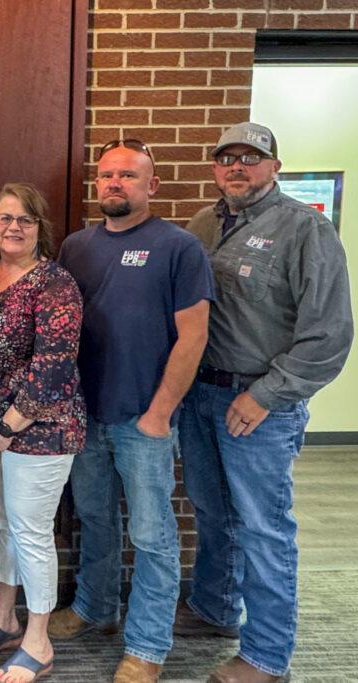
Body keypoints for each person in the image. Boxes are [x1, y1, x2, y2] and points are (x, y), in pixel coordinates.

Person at [177, 122, 353, 683]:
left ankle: (266, 656)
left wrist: (266, 396)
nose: (237, 167)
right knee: (212, 514)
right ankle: (214, 609)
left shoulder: (306, 229)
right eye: (227, 158)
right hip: (201, 396)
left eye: (251, 158)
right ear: (215, 168)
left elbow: (329, 335)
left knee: (263, 528)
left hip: (259, 405)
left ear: (274, 166)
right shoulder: (203, 225)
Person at [51, 139, 214, 683]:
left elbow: (193, 337)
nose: (115, 183)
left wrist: (160, 412)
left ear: (152, 186)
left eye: (128, 175)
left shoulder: (179, 247)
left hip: (144, 420)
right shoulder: (76, 247)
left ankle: (147, 646)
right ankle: (95, 608)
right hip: (85, 417)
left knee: (152, 536)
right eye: (107, 175)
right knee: (94, 518)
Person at [0, 183, 87, 683]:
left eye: (25, 220)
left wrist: (9, 425)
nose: (13, 227)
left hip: (41, 430)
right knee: (2, 524)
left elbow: (55, 368)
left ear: (41, 228)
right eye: (5, 218)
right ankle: (4, 617)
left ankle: (38, 641)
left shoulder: (56, 284)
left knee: (32, 532)